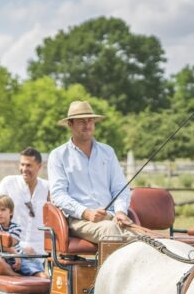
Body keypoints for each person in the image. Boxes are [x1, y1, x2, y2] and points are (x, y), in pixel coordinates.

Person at [48, 100, 133, 244]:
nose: (87, 125)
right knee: (110, 231)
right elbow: (58, 195)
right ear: (70, 124)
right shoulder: (58, 155)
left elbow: (120, 188)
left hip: (111, 217)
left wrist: (120, 212)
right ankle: (108, 267)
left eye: (90, 121)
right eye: (81, 121)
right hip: (79, 220)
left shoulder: (108, 152)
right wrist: (86, 212)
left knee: (143, 239)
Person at [0, 146, 49, 257]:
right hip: (13, 249)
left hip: (40, 252)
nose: (24, 169)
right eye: (22, 164)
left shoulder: (47, 187)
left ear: (39, 166)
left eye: (28, 165)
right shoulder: (8, 183)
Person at [0, 195, 47, 278]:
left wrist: (16, 255)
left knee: (34, 262)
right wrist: (15, 254)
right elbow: (1, 239)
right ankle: (20, 276)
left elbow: (10, 242)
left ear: (11, 212)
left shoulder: (16, 227)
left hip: (17, 257)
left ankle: (40, 277)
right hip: (7, 258)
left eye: (3, 210)